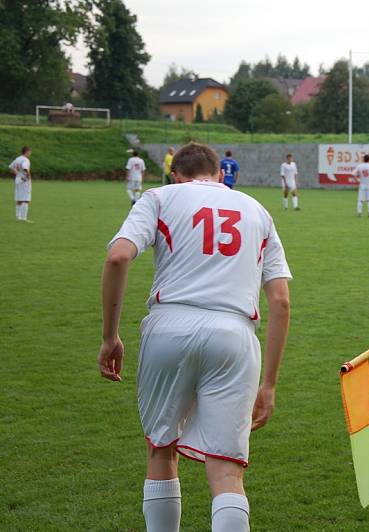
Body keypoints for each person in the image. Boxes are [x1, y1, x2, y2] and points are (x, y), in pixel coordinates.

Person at [97, 142, 292, 532]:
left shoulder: (160, 197)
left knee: (161, 449)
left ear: (175, 174)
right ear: (220, 174)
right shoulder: (257, 210)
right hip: (235, 334)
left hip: (170, 325)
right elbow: (281, 302)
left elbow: (118, 256)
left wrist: (110, 337)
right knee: (226, 472)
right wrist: (268, 384)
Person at [9, 146, 32, 222]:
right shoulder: (26, 160)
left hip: (18, 180)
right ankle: (24, 218)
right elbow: (25, 167)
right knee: (26, 200)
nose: (30, 153)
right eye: (30, 152)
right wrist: (27, 176)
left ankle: (18, 217)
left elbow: (11, 168)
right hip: (24, 181)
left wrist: (18, 174)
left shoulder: (17, 159)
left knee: (19, 198)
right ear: (27, 151)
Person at [352, 153, 369, 217]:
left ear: (364, 159)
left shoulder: (360, 166)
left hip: (362, 184)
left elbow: (353, 174)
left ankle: (359, 213)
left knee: (360, 200)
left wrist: (357, 180)